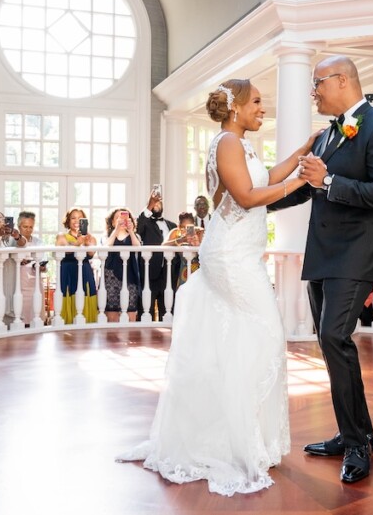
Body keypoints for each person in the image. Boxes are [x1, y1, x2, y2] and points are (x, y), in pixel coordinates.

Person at [117, 78, 319, 496]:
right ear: (236, 108)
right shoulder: (227, 143)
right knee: (265, 334)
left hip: (243, 254)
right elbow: (246, 197)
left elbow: (268, 175)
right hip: (228, 256)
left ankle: (235, 435)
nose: (264, 108)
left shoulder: (240, 144)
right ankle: (235, 439)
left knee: (240, 340)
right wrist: (302, 182)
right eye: (258, 102)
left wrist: (302, 153)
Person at [271, 55, 373, 485]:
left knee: (334, 337)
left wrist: (329, 181)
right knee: (330, 343)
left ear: (343, 80)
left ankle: (354, 444)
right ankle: (358, 431)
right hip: (323, 253)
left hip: (356, 254)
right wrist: (255, 201)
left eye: (318, 83)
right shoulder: (328, 133)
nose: (313, 91)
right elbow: (305, 187)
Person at [136, 189, 176, 320]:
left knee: (167, 313)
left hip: (168, 274)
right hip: (149, 273)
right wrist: (149, 205)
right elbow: (138, 225)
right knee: (146, 313)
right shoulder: (144, 223)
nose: (156, 205)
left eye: (159, 203)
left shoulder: (172, 225)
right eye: (154, 204)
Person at [56, 208, 98, 323]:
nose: (76, 221)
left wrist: (86, 242)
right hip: (68, 272)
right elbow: (62, 251)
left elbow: (91, 254)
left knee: (86, 296)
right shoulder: (62, 236)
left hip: (85, 272)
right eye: (73, 218)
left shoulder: (90, 237)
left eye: (80, 218)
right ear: (68, 221)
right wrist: (77, 243)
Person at [103, 208, 142, 322]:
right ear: (112, 222)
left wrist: (130, 231)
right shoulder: (108, 236)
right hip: (111, 276)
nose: (121, 220)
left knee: (130, 311)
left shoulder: (134, 236)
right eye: (117, 218)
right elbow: (105, 248)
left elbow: (138, 248)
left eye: (125, 217)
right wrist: (116, 230)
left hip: (130, 276)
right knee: (112, 312)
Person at [16, 211, 45, 325]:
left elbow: (42, 258)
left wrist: (42, 266)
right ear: (19, 227)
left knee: (35, 312)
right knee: (20, 312)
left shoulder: (38, 242)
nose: (28, 230)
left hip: (35, 281)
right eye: (25, 227)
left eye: (31, 227)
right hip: (19, 281)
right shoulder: (13, 241)